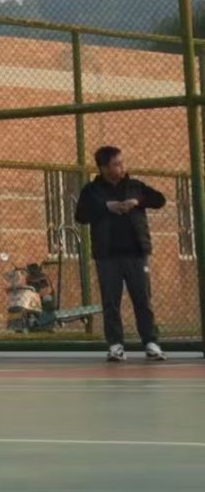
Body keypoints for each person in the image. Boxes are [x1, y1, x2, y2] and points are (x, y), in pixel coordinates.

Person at [75, 146, 166, 361]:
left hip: (136, 253)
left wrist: (137, 202)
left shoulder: (135, 186)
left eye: (122, 162)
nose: (122, 167)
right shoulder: (92, 191)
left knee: (142, 299)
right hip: (107, 255)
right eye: (116, 164)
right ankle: (115, 345)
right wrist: (107, 207)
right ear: (104, 168)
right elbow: (81, 215)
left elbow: (159, 200)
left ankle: (151, 342)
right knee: (110, 302)